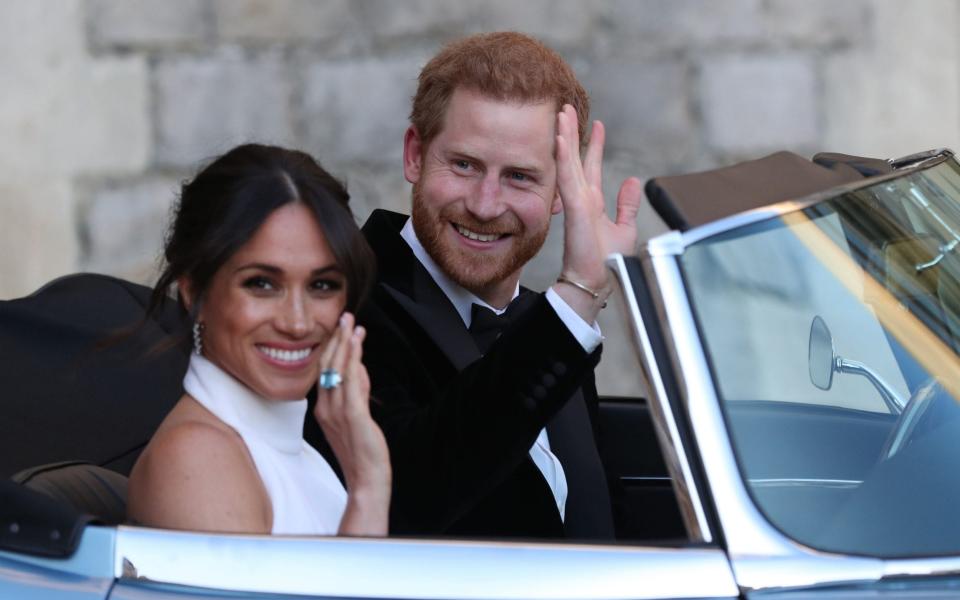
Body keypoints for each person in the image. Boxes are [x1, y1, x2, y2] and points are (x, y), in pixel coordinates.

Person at [304, 32, 642, 539]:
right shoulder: (342, 303)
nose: (485, 204)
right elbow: (407, 499)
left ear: (560, 192)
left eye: (520, 177)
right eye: (464, 165)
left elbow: (595, 519)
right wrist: (576, 297)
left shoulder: (546, 323)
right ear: (415, 155)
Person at [128, 144, 391, 536]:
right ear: (193, 291)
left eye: (322, 285)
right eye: (262, 284)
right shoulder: (198, 458)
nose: (298, 323)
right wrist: (369, 489)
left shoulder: (293, 450)